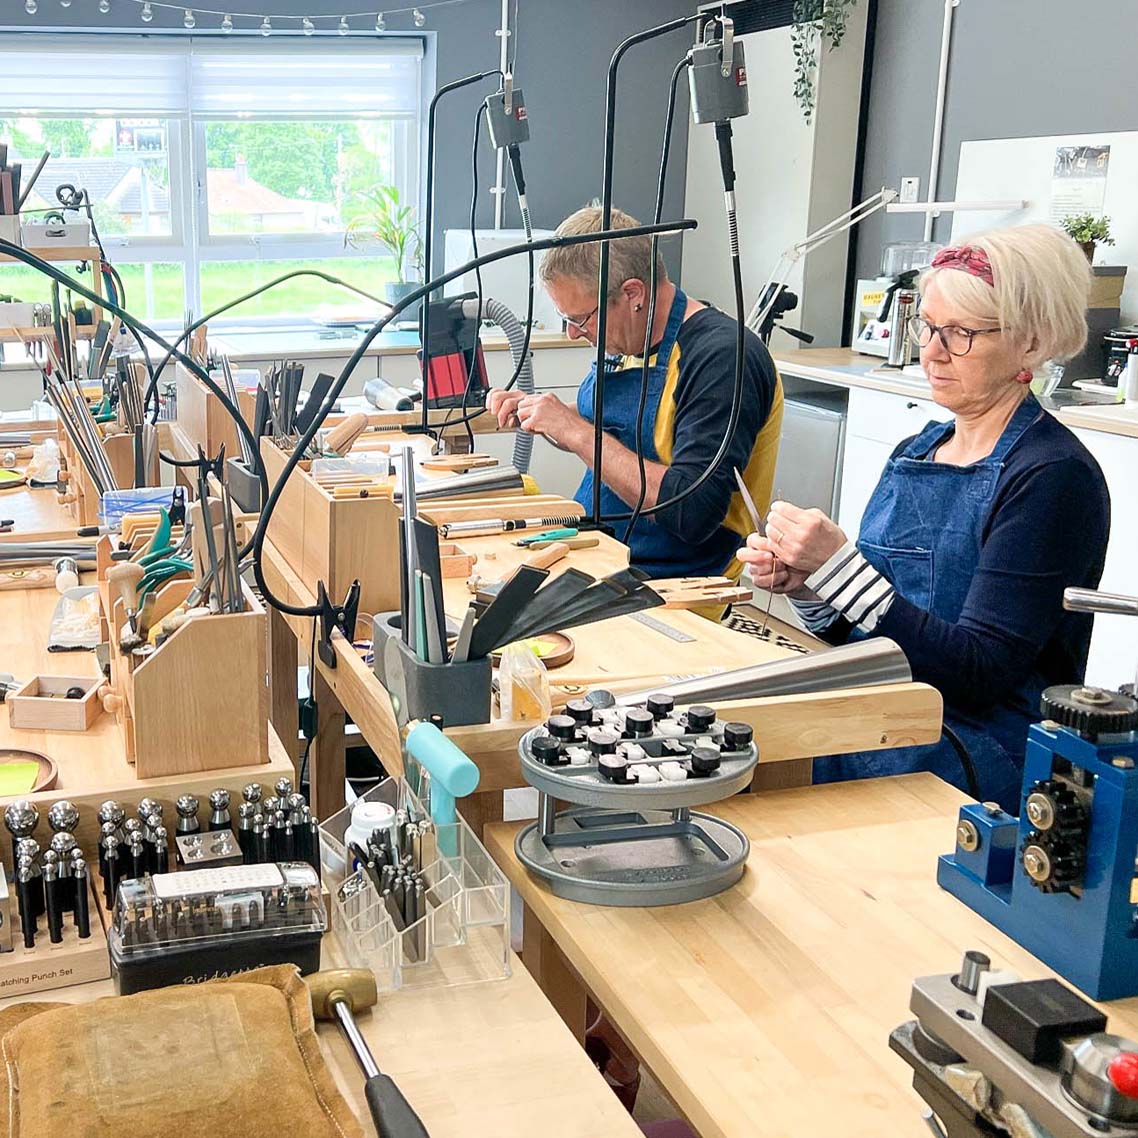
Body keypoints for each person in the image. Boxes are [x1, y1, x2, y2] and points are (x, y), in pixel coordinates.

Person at [738, 225, 1110, 812]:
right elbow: (868, 635)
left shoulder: (1052, 477)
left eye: (960, 334)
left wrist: (841, 572)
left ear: (1031, 344)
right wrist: (810, 588)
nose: (931, 352)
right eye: (928, 327)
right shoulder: (917, 450)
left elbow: (979, 674)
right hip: (890, 711)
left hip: (977, 751)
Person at [487, 205, 783, 584]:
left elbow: (691, 512)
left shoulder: (723, 358)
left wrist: (576, 432)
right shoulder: (628, 337)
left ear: (633, 294)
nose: (573, 333)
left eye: (580, 319)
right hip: (599, 552)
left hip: (676, 580)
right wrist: (544, 415)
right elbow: (607, 427)